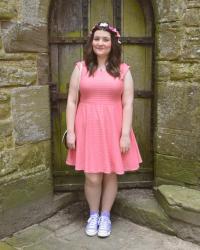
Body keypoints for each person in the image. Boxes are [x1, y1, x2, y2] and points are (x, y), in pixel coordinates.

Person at [65, 22, 142, 238]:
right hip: (87, 127)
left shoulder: (124, 70)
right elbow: (71, 100)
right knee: (92, 177)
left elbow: (128, 103)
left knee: (109, 175)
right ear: (91, 42)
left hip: (114, 127)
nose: (100, 42)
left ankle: (105, 216)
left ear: (112, 43)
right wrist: (70, 131)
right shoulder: (80, 68)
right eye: (97, 38)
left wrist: (125, 134)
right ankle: (93, 214)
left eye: (105, 39)